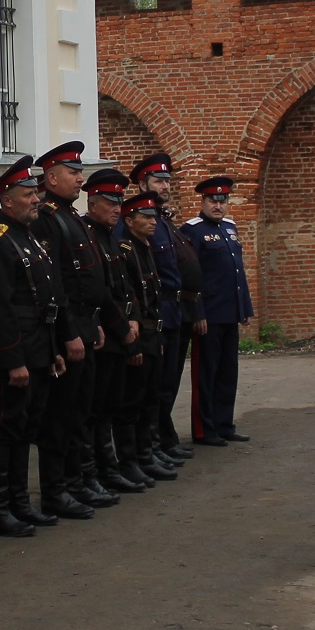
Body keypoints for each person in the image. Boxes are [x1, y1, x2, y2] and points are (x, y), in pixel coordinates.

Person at [0, 156, 71, 536]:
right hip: (16, 355)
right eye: (28, 194)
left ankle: (19, 502)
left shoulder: (29, 237)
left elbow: (45, 300)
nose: (36, 199)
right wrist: (14, 361)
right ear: (7, 199)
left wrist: (54, 350)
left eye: (36, 192)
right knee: (6, 429)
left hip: (39, 349)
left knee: (27, 428)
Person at [31, 142, 121, 518]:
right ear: (52, 177)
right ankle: (58, 488)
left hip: (86, 322)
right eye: (73, 173)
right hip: (68, 328)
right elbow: (58, 283)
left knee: (82, 411)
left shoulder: (72, 217)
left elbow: (88, 280)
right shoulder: (49, 218)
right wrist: (70, 332)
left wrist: (95, 320)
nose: (80, 179)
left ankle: (80, 479)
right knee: (62, 416)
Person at [81, 169, 148, 492]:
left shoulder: (112, 237)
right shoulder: (89, 234)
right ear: (93, 204)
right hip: (105, 334)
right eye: (110, 203)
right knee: (97, 410)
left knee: (113, 405)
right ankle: (100, 471)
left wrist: (133, 317)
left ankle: (112, 468)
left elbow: (126, 285)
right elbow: (100, 291)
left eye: (119, 202)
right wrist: (122, 327)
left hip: (121, 331)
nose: (117, 209)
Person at [134, 154, 195, 467]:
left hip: (175, 309)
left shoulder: (163, 219)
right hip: (158, 310)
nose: (165, 185)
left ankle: (164, 438)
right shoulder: (139, 221)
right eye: (159, 180)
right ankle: (155, 444)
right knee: (156, 384)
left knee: (168, 381)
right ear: (143, 184)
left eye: (168, 180)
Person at [182, 176, 252, 447]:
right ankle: (204, 429)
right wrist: (198, 312)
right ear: (203, 201)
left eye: (223, 200)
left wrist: (244, 307)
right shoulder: (193, 230)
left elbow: (238, 273)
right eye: (213, 200)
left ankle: (225, 424)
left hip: (229, 312)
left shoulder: (230, 229)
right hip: (209, 315)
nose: (218, 206)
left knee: (227, 372)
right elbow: (192, 275)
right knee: (206, 373)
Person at [119, 191, 175, 484]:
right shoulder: (126, 250)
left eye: (154, 217)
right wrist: (136, 343)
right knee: (134, 401)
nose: (153, 222)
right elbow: (131, 301)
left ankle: (149, 451)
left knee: (151, 397)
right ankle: (132, 459)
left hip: (154, 333)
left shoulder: (145, 247)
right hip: (141, 336)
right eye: (146, 217)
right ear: (130, 220)